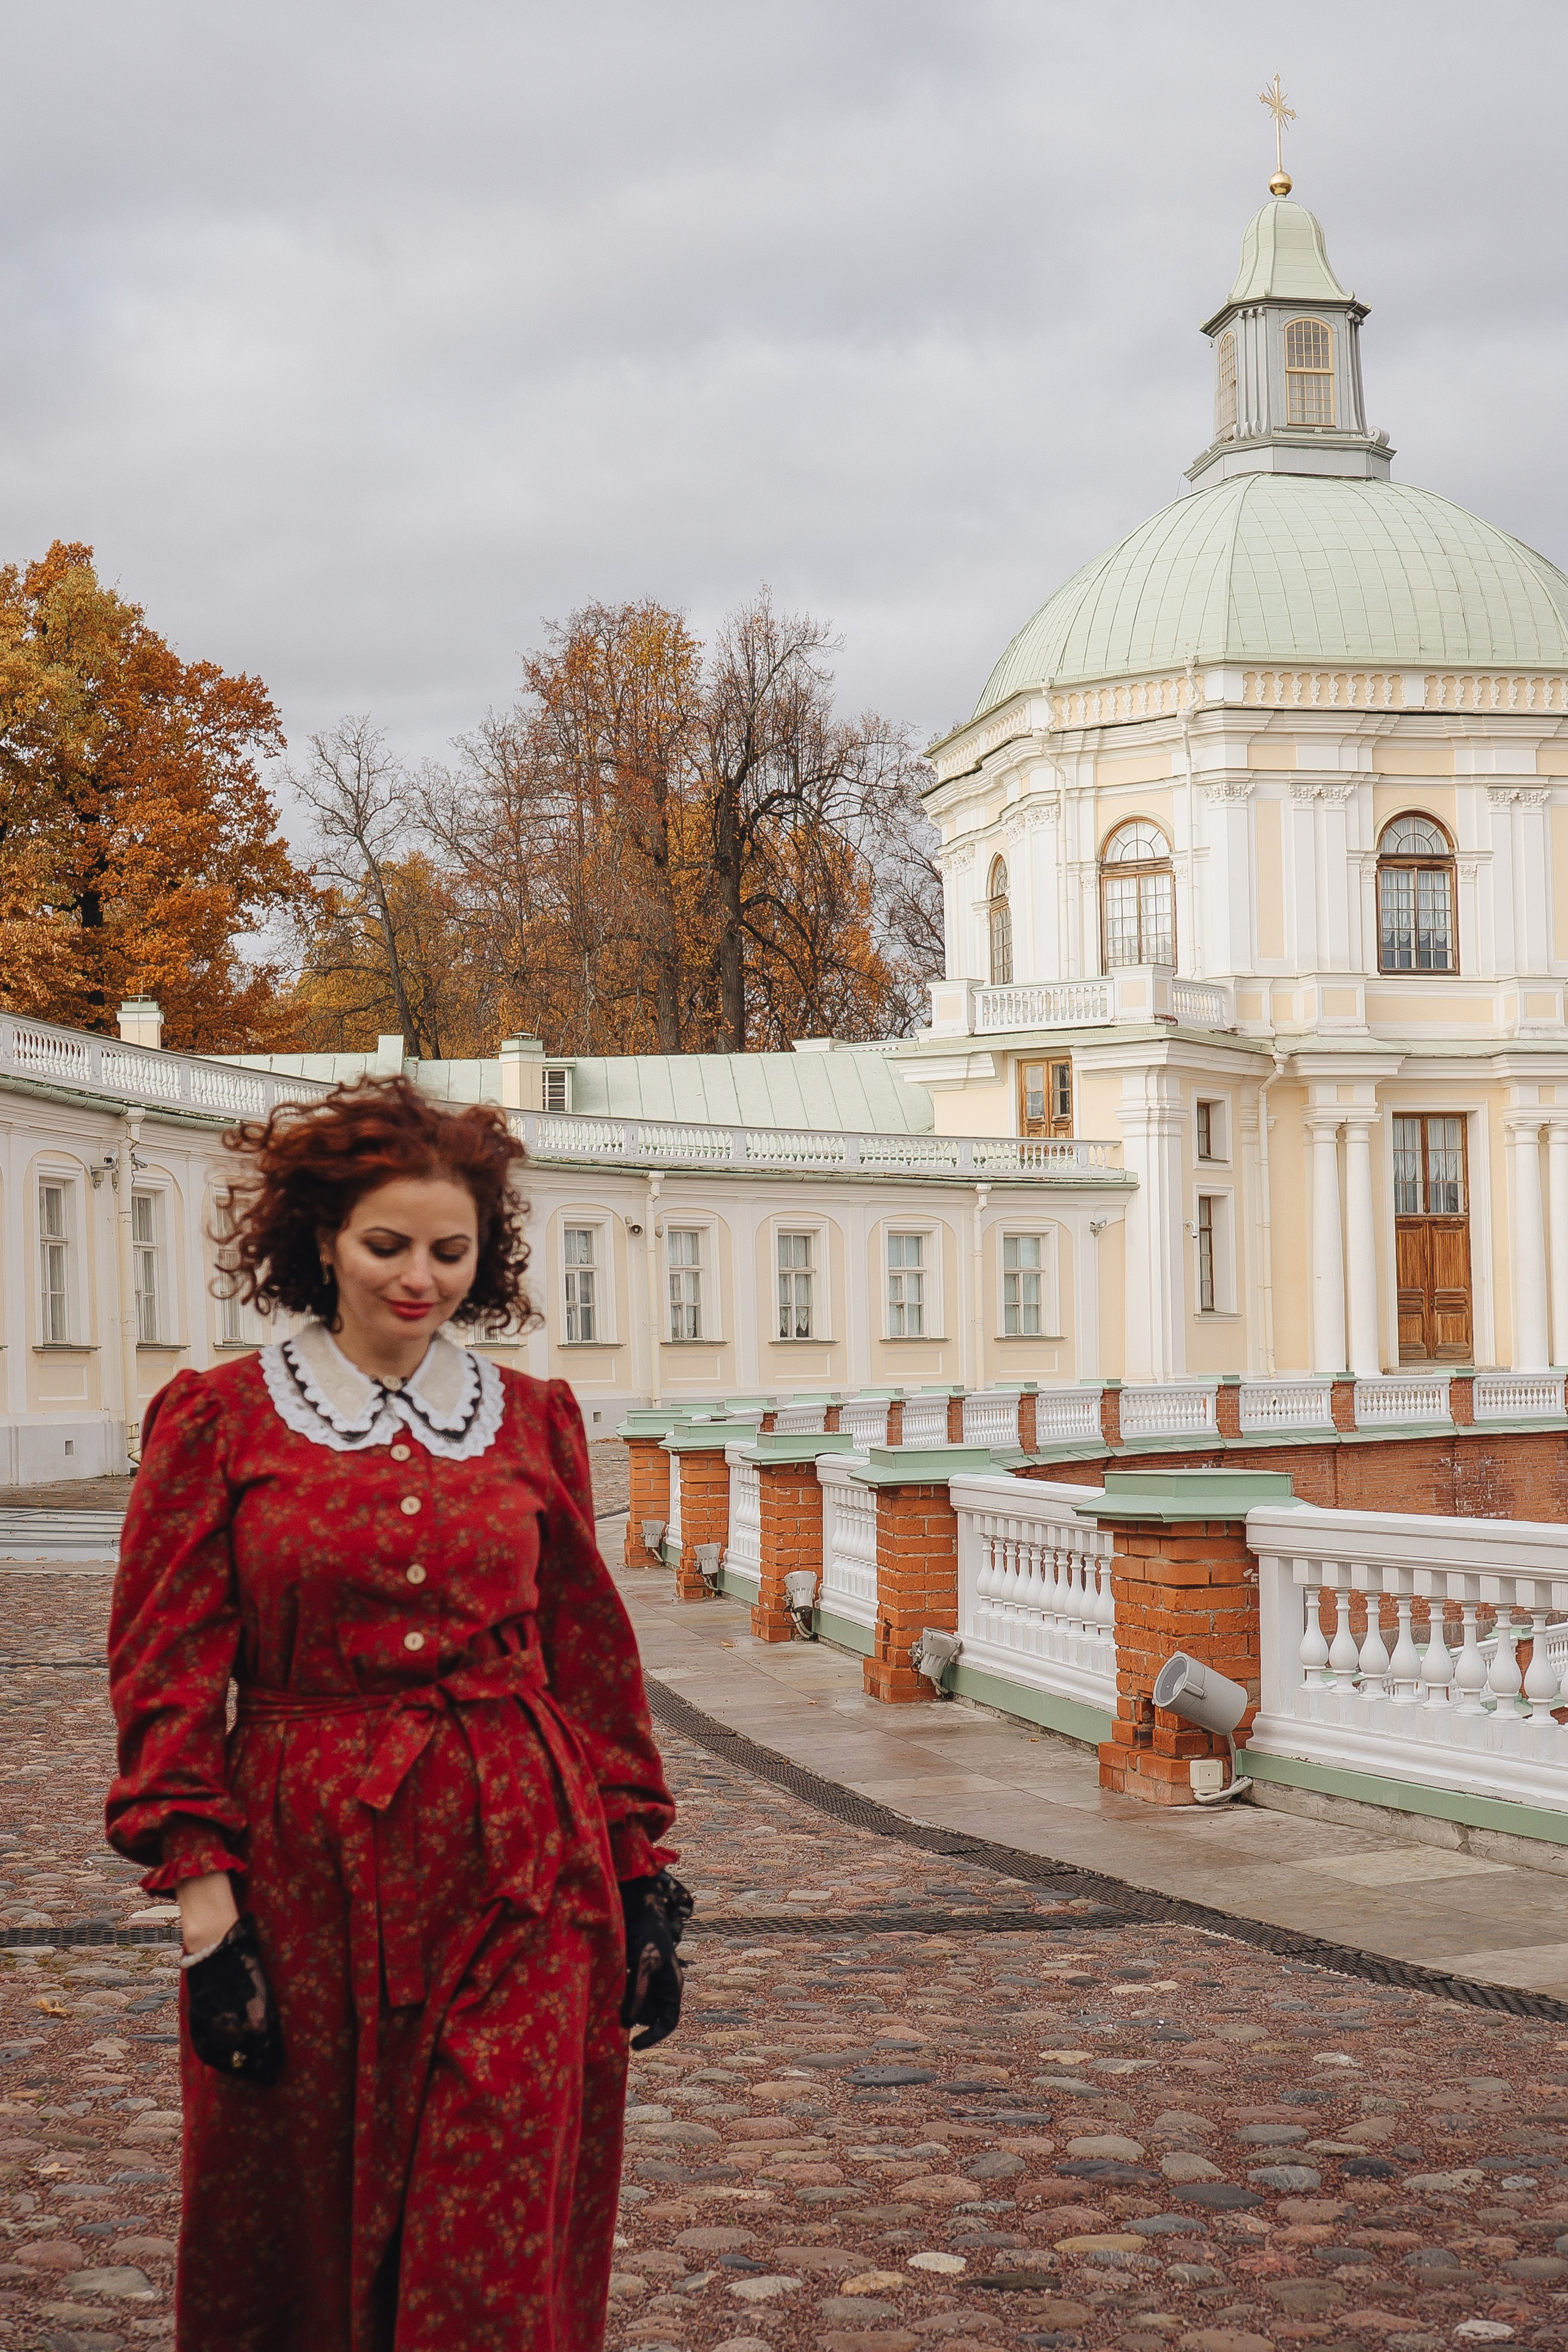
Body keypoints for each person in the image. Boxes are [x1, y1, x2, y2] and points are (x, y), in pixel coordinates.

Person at [106, 1076, 682, 2352]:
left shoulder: (532, 1418)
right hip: (306, 1862)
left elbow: (588, 1656)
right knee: (300, 2224)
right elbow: (166, 1672)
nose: (418, 1277)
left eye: (448, 1249)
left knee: (491, 2229)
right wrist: (208, 1913)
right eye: (387, 1245)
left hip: (524, 1859)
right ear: (321, 1241)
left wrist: (642, 1873)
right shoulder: (220, 1419)